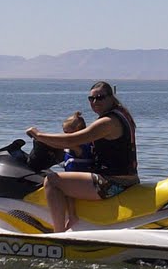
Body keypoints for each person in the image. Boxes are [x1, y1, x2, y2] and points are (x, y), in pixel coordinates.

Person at [26, 81, 138, 232]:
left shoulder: (108, 122)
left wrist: (38, 135)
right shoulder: (122, 115)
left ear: (111, 97)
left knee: (51, 181)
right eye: (91, 99)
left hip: (114, 182)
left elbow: (72, 140)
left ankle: (58, 233)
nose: (95, 102)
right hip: (127, 178)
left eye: (100, 97)